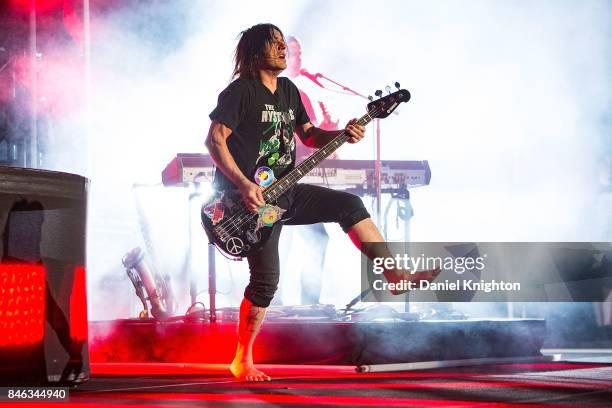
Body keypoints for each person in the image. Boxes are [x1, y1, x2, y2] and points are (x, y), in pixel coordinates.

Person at [205, 23, 437, 382]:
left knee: (349, 205)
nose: (283, 49)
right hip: (246, 203)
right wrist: (244, 183)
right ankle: (242, 359)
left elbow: (309, 136)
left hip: (287, 191)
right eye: (275, 43)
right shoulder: (241, 92)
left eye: (285, 43)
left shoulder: (288, 90)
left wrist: (343, 133)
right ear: (254, 53)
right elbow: (215, 140)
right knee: (266, 281)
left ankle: (393, 274)